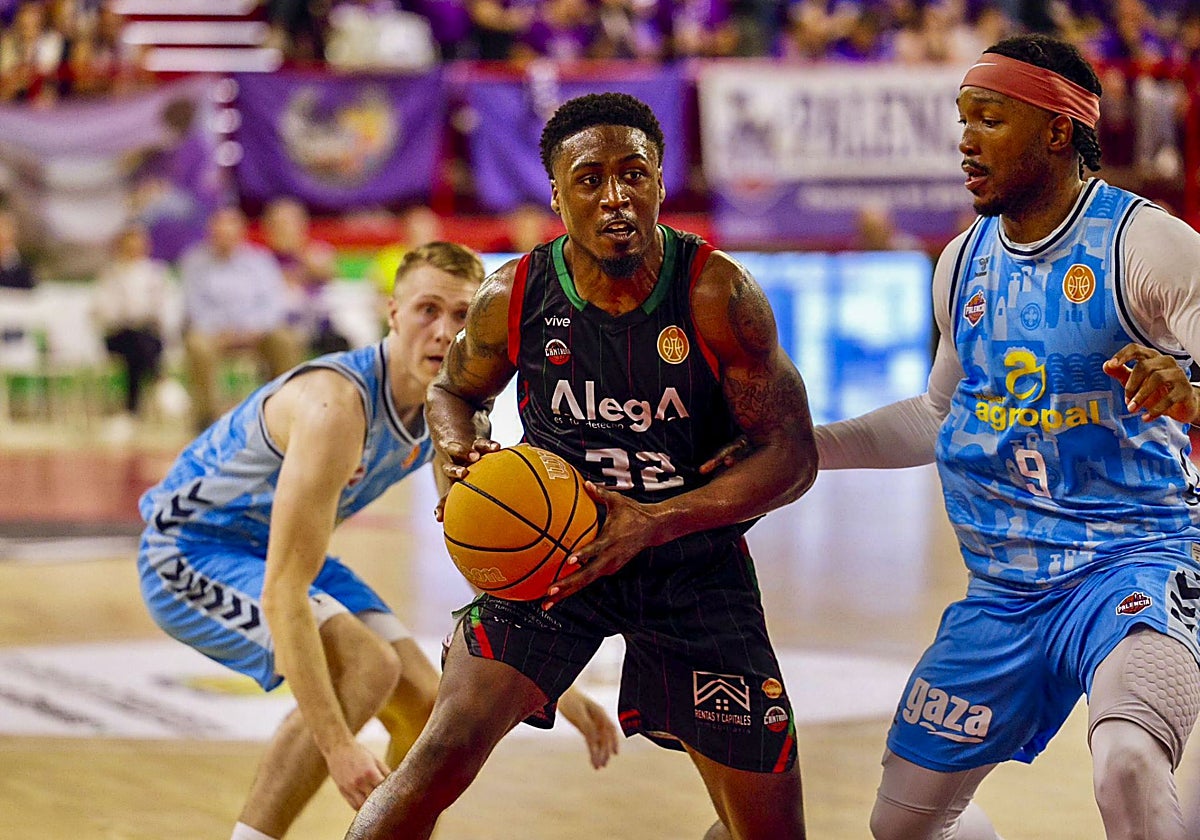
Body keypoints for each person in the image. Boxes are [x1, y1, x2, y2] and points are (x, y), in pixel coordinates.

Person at [347, 92, 817, 840]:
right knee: (438, 755)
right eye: (590, 179)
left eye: (634, 174)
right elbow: (453, 392)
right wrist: (459, 452)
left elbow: (793, 454)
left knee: (768, 828)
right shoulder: (515, 294)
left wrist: (658, 521)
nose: (615, 196)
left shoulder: (716, 293)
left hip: (692, 562)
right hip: (554, 557)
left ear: (662, 182)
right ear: (559, 196)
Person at [813, 34, 1200, 839]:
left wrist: (1191, 394)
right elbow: (939, 415)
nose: (965, 140)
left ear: (1058, 130)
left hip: (1136, 556)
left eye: (988, 118)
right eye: (962, 120)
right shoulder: (962, 262)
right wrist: (808, 446)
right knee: (902, 829)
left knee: (1127, 762)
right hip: (1005, 590)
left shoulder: (1146, 244)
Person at [137, 242, 619, 840]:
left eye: (463, 316)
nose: (444, 332)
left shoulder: (449, 409)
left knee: (424, 704)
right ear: (392, 313)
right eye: (427, 310)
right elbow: (284, 589)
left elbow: (484, 560)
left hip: (274, 550)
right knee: (367, 665)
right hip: (187, 550)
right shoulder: (335, 406)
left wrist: (555, 683)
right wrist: (339, 748)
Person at [178, 206, 305, 432]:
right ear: (211, 232)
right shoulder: (194, 263)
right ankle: (206, 417)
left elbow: (273, 303)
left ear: (241, 232)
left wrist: (253, 329)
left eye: (230, 230)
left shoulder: (260, 261)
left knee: (285, 339)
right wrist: (221, 331)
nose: (225, 236)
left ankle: (282, 411)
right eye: (220, 229)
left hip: (257, 332)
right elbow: (194, 307)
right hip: (215, 334)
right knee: (197, 345)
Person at [92, 222, 171, 441]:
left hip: (148, 335)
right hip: (118, 336)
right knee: (136, 339)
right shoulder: (110, 274)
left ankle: (130, 413)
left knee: (141, 345)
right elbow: (103, 312)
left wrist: (142, 315)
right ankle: (160, 379)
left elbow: (164, 309)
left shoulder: (156, 273)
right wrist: (128, 314)